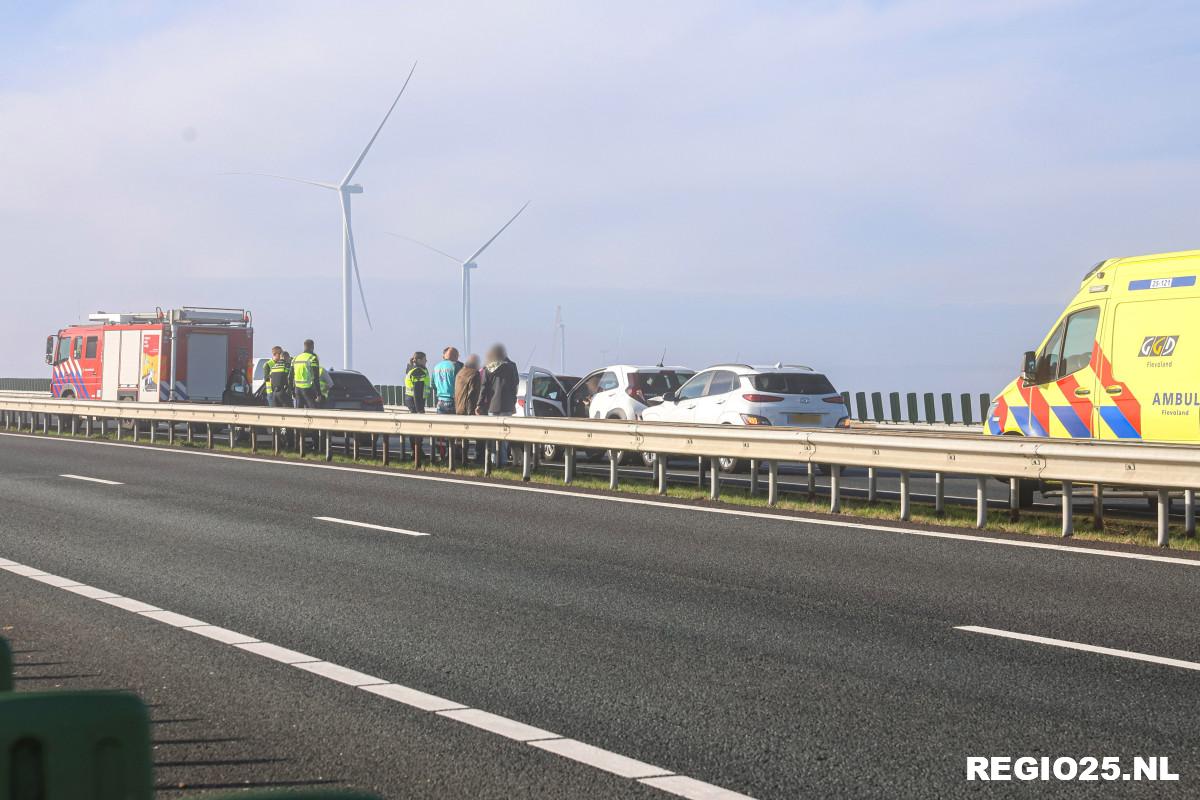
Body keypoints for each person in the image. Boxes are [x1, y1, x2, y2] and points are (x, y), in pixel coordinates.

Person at [477, 343, 519, 466]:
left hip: (492, 406)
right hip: (507, 406)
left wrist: (479, 405)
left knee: (493, 436)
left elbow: (483, 388)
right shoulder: (511, 366)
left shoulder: (487, 368)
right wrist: (513, 402)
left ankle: (493, 461)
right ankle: (503, 461)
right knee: (504, 436)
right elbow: (515, 385)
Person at [454, 353, 482, 464]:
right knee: (470, 436)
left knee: (460, 436)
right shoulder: (474, 374)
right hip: (467, 409)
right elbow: (472, 395)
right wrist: (472, 413)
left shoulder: (460, 372)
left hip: (459, 408)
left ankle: (459, 458)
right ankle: (466, 459)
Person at [291, 340, 321, 409]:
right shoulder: (312, 358)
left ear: (304, 347)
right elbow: (316, 377)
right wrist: (318, 393)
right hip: (308, 389)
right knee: (313, 411)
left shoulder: (295, 358)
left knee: (299, 412)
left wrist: (292, 391)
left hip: (297, 389)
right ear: (313, 347)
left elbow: (290, 377)